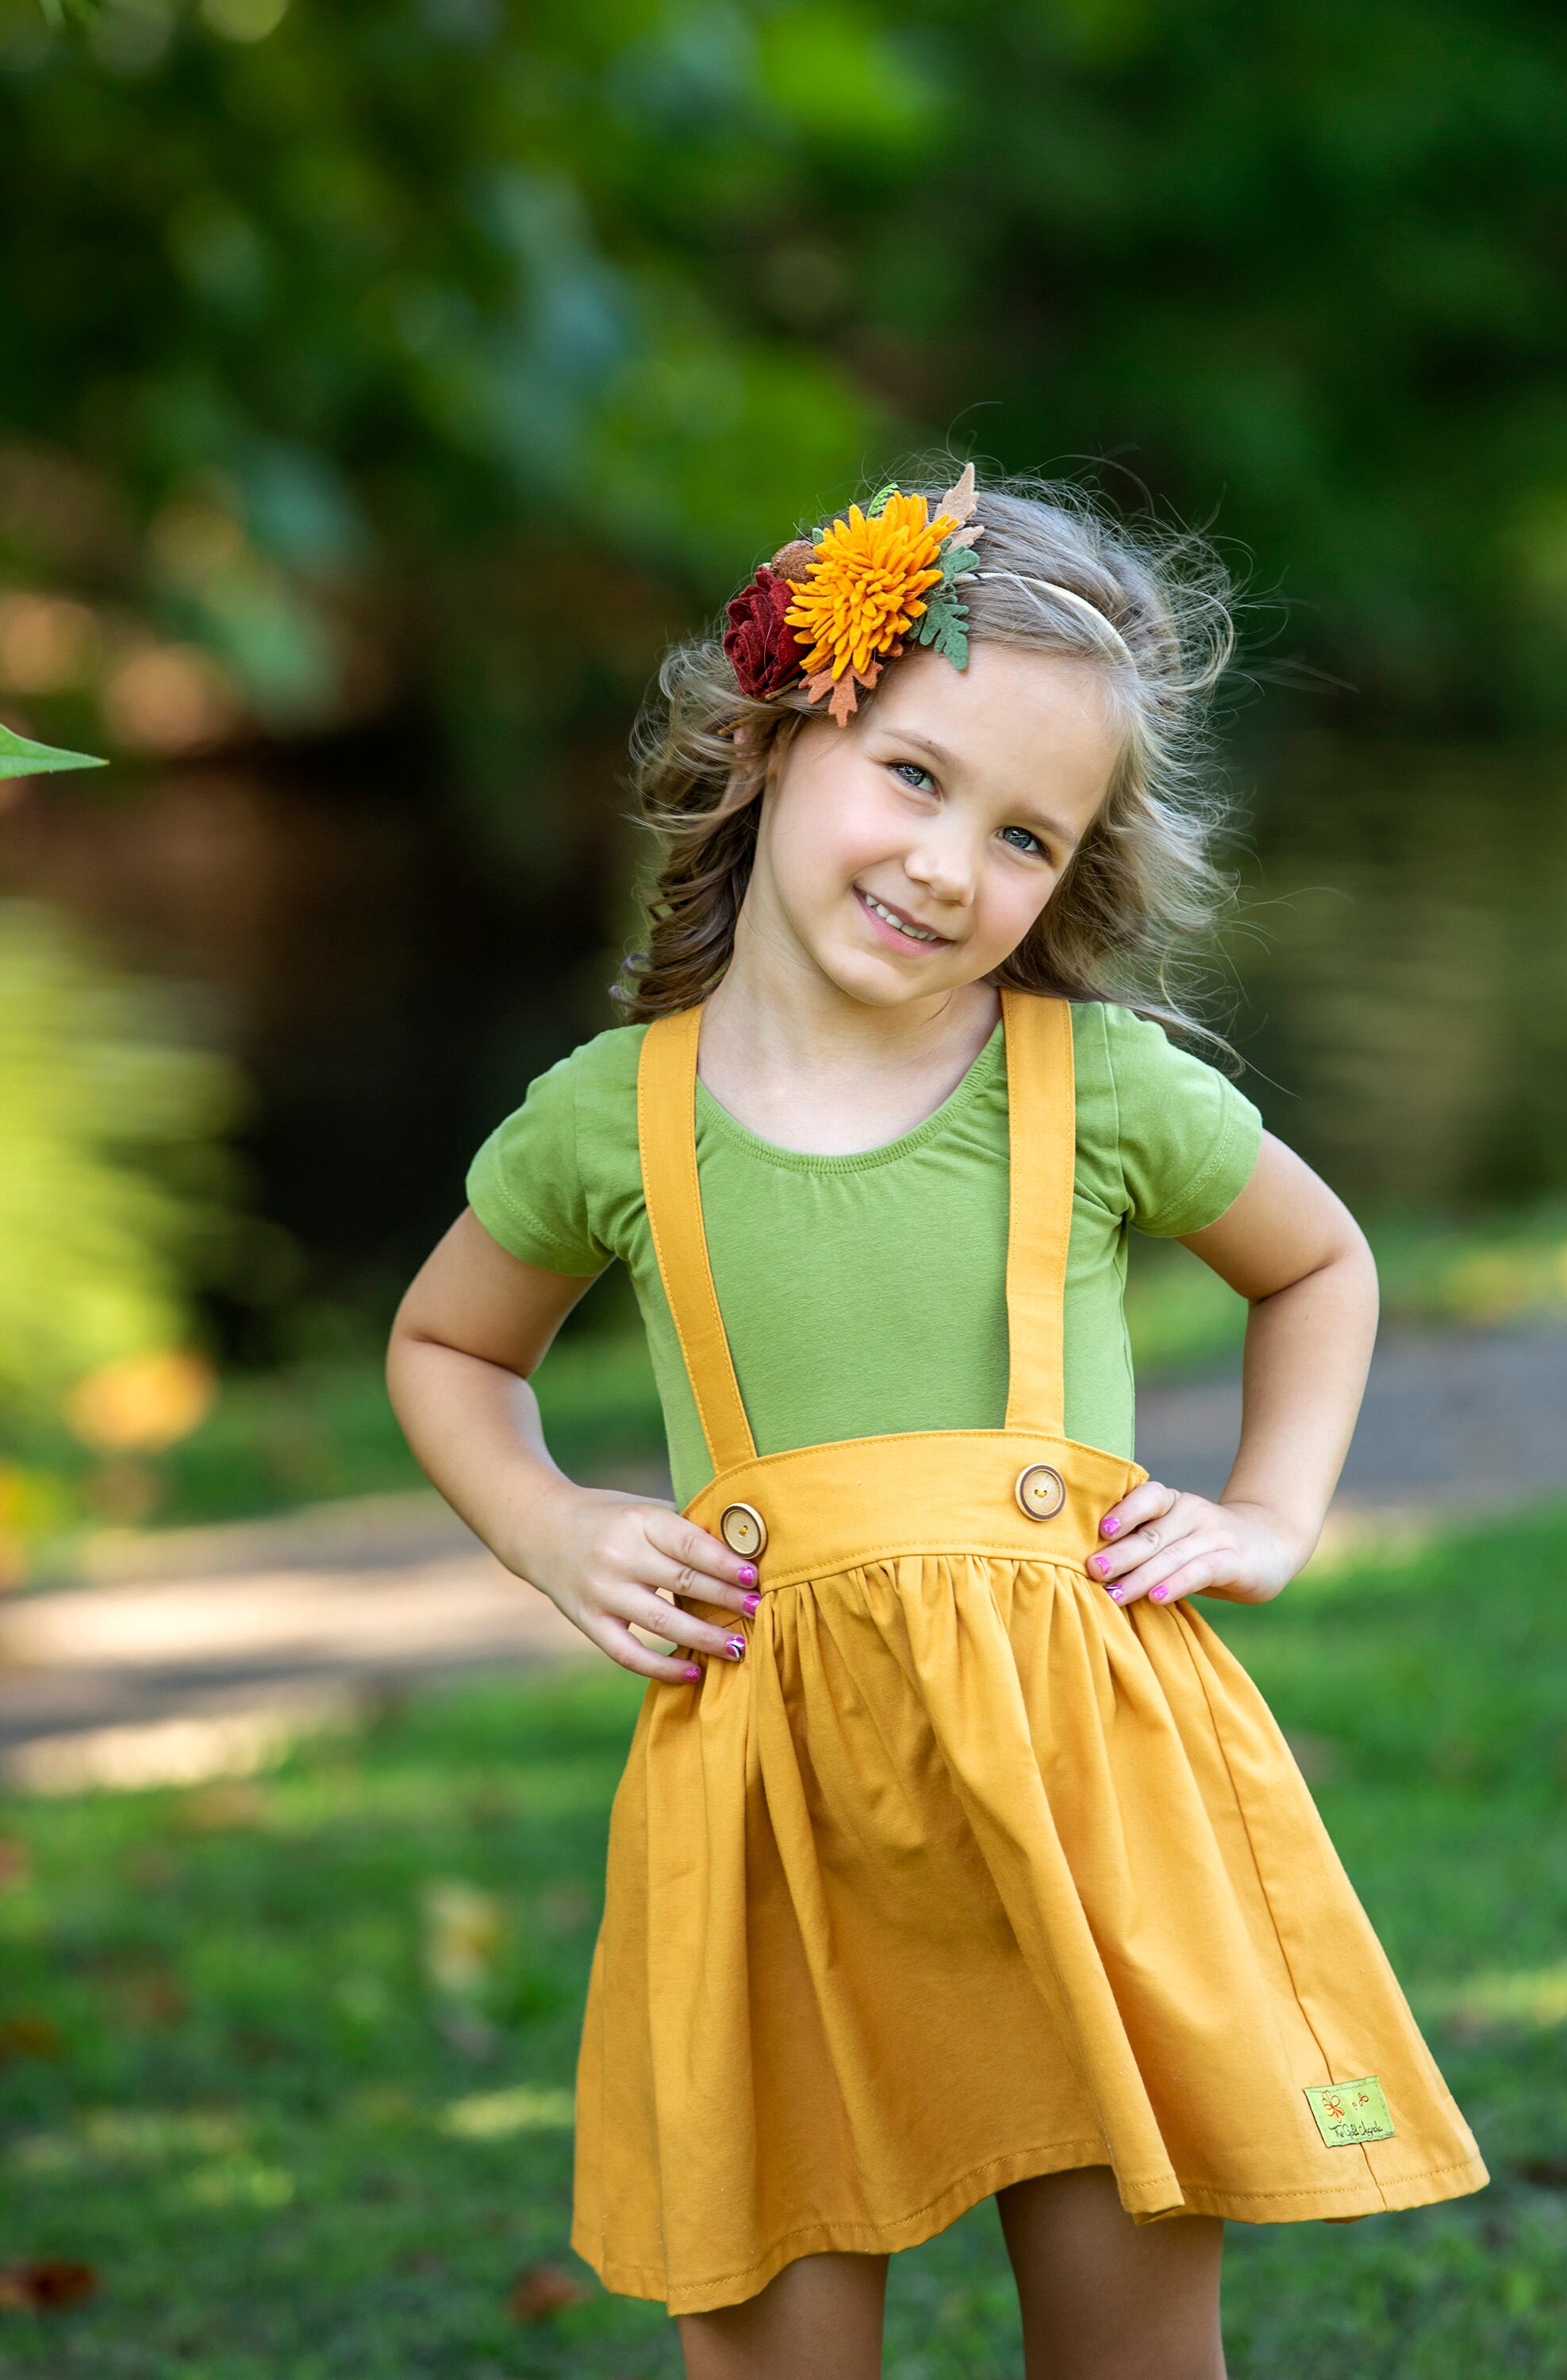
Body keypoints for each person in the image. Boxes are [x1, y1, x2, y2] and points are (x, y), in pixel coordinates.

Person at [386, 463, 1486, 2380]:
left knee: (1130, 2331)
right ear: (783, 732)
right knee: (778, 2320)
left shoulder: (1100, 1090)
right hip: (774, 1816)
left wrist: (1270, 1513)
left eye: (1027, 838)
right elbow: (445, 1350)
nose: (949, 866)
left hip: (1081, 1793)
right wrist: (553, 1527)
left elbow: (1319, 1268)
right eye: (913, 777)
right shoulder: (611, 1118)